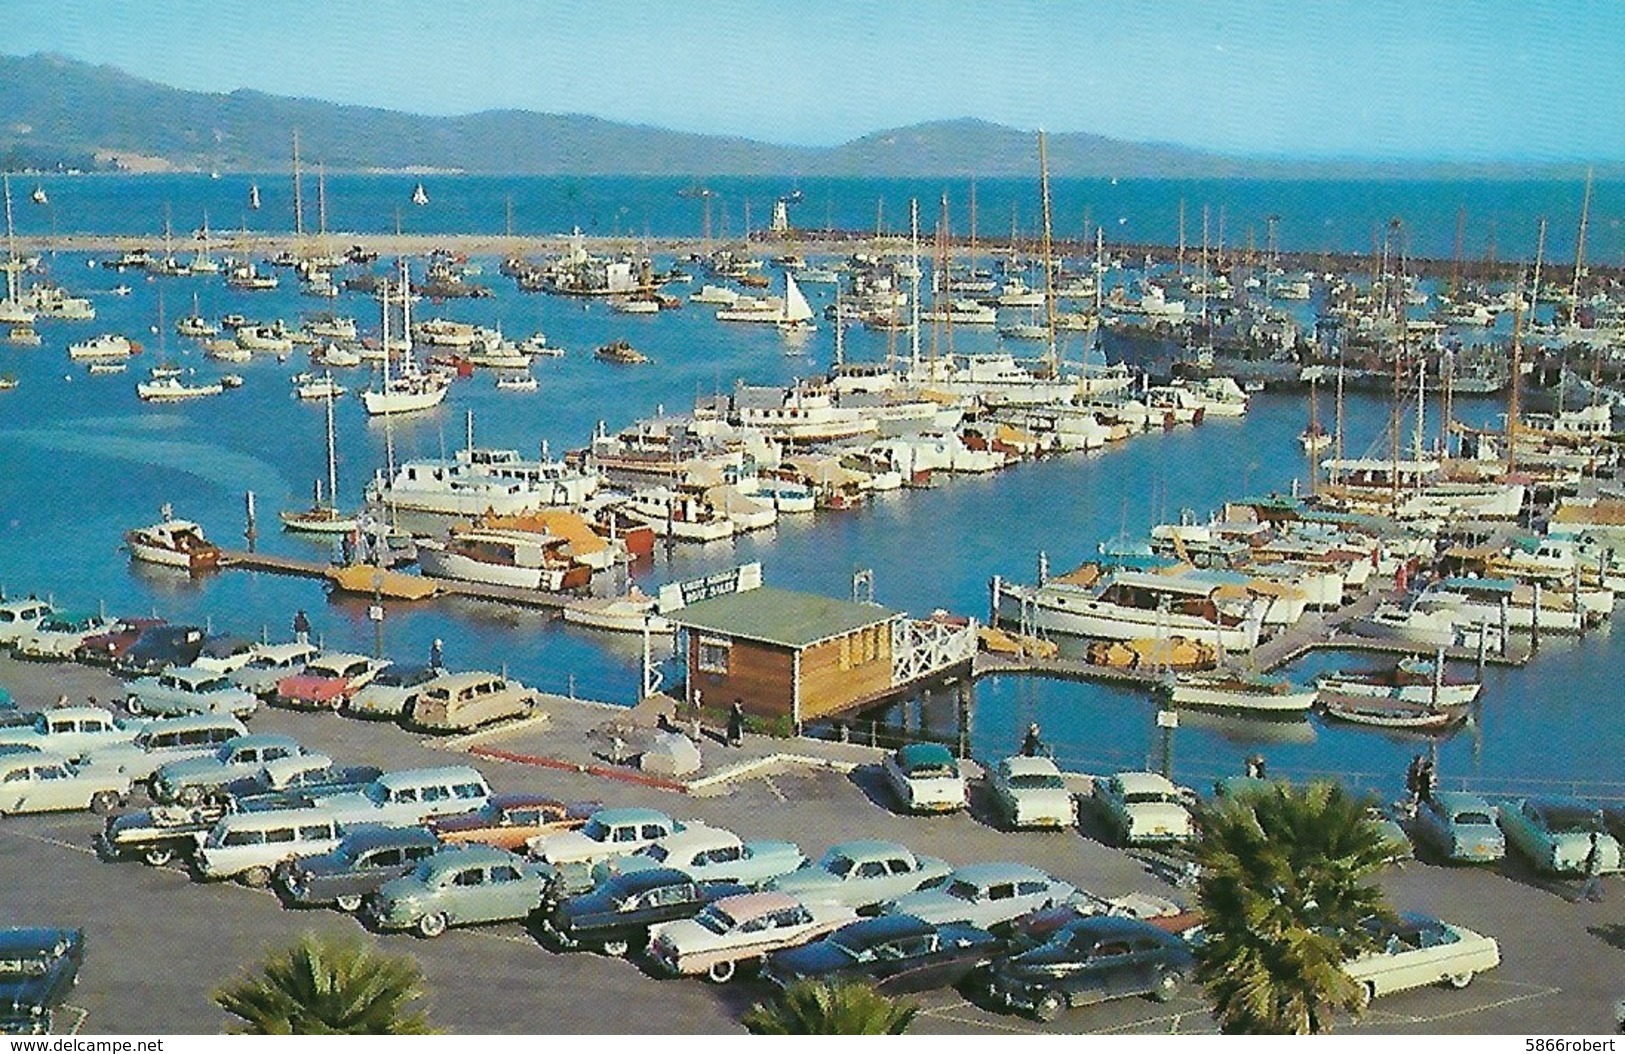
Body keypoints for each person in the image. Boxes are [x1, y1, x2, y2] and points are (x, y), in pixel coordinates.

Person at [1580, 831, 1606, 903]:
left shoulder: (1596, 849)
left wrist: (1590, 866)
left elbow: (1595, 859)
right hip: (1595, 868)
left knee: (1588, 883)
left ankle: (1581, 897)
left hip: (1594, 868)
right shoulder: (1595, 847)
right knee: (1596, 882)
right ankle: (1599, 895)